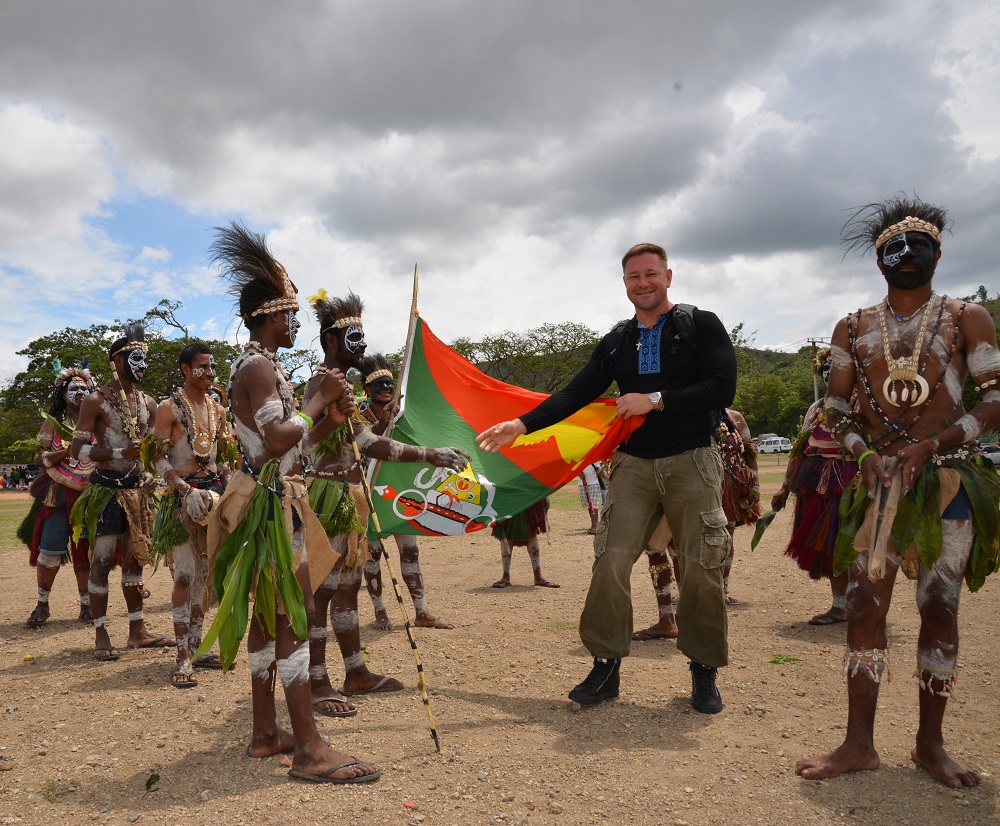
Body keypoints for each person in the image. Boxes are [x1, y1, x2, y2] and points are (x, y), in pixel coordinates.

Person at [478, 242, 737, 712]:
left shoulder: (701, 324)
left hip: (693, 460)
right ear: (625, 284)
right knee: (611, 560)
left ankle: (704, 672)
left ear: (668, 276)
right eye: (634, 276)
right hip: (633, 465)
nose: (643, 282)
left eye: (651, 274)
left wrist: (655, 399)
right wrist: (520, 425)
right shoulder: (618, 340)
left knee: (701, 565)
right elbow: (576, 392)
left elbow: (722, 387)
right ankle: (606, 666)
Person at [796, 196, 1000, 789]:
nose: (905, 253)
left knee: (940, 606)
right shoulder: (853, 327)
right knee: (864, 606)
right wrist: (863, 454)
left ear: (938, 252)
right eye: (893, 246)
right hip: (878, 483)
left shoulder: (968, 318)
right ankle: (858, 745)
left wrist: (929, 448)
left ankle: (929, 744)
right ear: (878, 260)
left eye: (918, 244)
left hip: (948, 480)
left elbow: (993, 401)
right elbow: (834, 411)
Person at [207, 222, 379, 783]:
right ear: (264, 316)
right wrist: (319, 402)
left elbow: (285, 439)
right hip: (271, 508)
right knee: (292, 619)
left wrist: (323, 418)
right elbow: (278, 439)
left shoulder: (266, 368)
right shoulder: (257, 367)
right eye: (287, 314)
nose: (295, 323)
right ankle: (307, 748)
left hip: (275, 498)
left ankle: (264, 733)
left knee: (267, 616)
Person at [302, 293, 469, 716]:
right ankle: (317, 680)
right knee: (321, 592)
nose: (361, 345)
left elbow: (366, 442)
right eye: (351, 337)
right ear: (330, 341)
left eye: (362, 335)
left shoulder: (341, 387)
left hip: (349, 497)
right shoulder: (320, 383)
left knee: (347, 587)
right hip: (324, 497)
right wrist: (429, 454)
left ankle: (356, 672)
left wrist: (429, 453)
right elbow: (302, 441)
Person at [70, 324, 173, 661]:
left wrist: (155, 478)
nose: (143, 366)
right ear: (118, 361)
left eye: (145, 359)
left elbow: (156, 453)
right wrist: (117, 454)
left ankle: (137, 631)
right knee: (101, 562)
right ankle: (101, 634)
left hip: (139, 493)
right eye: (136, 359)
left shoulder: (150, 403)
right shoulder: (95, 400)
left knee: (134, 561)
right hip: (107, 491)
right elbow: (76, 450)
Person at [148, 342, 235, 688]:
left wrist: (231, 487)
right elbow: (155, 457)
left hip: (212, 497)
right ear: (185, 369)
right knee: (184, 574)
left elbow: (224, 458)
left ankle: (198, 648)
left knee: (204, 574)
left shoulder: (218, 409)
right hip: (181, 498)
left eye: (212, 366)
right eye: (202, 366)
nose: (210, 372)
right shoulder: (169, 409)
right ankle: (183, 655)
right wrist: (183, 488)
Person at [358, 353, 454, 630]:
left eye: (390, 385)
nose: (386, 389)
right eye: (379, 386)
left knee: (410, 552)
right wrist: (381, 423)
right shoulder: (357, 418)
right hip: (369, 496)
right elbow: (367, 445)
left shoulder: (402, 418)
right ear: (366, 390)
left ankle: (421, 612)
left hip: (400, 495)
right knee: (372, 556)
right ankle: (380, 613)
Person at [771, 351, 858, 625]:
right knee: (829, 545)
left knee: (857, 543)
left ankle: (862, 603)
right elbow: (798, 450)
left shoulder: (865, 405)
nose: (830, 377)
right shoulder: (816, 407)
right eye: (826, 371)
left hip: (853, 482)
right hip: (816, 482)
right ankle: (840, 605)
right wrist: (785, 486)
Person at [21, 366, 98, 627]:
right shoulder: (53, 423)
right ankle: (42, 603)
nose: (79, 392)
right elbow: (39, 458)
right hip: (58, 493)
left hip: (91, 495)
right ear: (63, 394)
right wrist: (64, 453)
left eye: (84, 389)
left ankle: (87, 605)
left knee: (85, 551)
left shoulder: (100, 422)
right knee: (50, 550)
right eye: (73, 389)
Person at [490, 499, 559, 588]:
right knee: (507, 538)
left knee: (531, 536)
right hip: (509, 503)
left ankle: (538, 577)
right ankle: (505, 576)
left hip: (528, 503)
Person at [577, 461, 607, 534]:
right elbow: (574, 465)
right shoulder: (579, 453)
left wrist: (601, 468)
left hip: (594, 481)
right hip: (582, 482)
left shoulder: (597, 452)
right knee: (589, 505)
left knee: (594, 504)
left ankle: (595, 526)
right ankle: (593, 525)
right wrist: (579, 473)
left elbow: (606, 462)